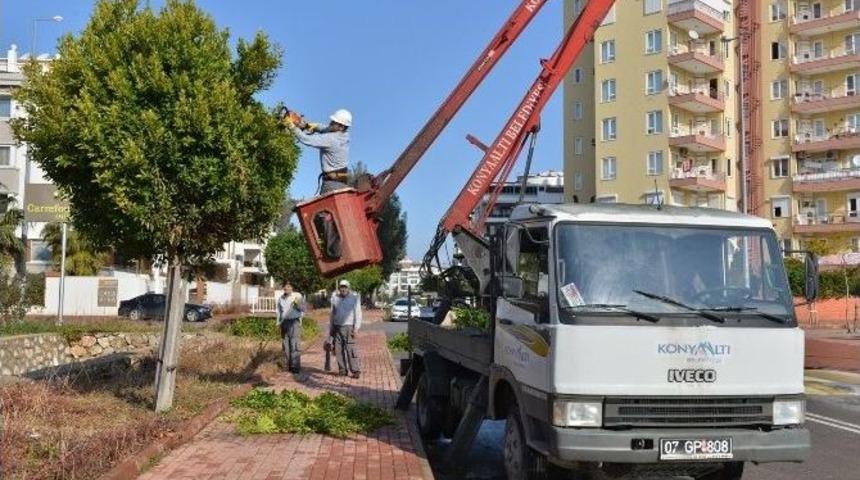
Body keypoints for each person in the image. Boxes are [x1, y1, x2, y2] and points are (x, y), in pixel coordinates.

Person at [286, 109, 353, 194]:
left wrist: (292, 127)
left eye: (333, 122)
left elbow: (306, 139)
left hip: (332, 184)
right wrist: (308, 125)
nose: (330, 123)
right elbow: (325, 128)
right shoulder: (345, 135)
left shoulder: (332, 139)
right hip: (342, 182)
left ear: (341, 127)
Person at [329, 279, 362, 378]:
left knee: (350, 349)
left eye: (345, 287)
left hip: (349, 327)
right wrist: (331, 327)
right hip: (337, 326)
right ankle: (342, 370)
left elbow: (358, 313)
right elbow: (332, 313)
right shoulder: (335, 297)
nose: (343, 289)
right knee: (338, 350)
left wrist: (356, 328)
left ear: (348, 288)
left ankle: (355, 371)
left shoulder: (354, 298)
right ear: (339, 288)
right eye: (341, 287)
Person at [276, 281, 305, 373]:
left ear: (292, 288)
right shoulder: (281, 298)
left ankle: (295, 367)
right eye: (285, 287)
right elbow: (279, 312)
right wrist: (278, 323)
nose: (286, 288)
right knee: (286, 346)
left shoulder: (297, 296)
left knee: (294, 345)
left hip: (294, 322)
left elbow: (303, 309)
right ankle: (287, 365)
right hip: (284, 323)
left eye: (288, 287)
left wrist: (297, 304)